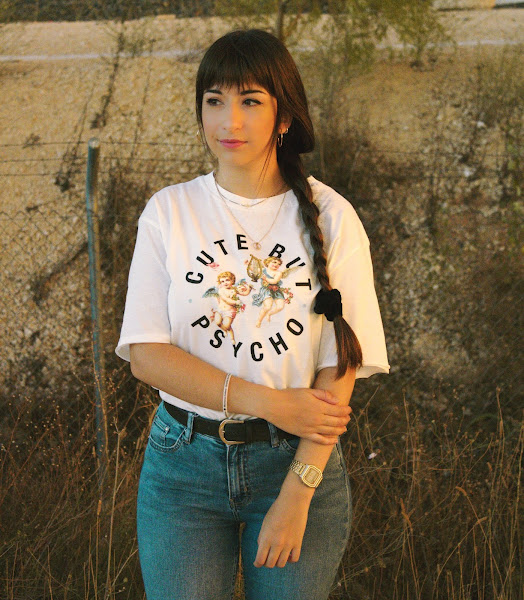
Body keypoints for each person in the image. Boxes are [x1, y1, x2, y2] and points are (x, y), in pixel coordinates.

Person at [116, 29, 389, 600]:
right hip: (182, 466)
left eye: (250, 101)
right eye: (214, 100)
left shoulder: (332, 216)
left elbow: (341, 365)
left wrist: (298, 492)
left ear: (283, 115)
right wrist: (268, 401)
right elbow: (146, 355)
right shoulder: (169, 211)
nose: (229, 121)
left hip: (293, 464)